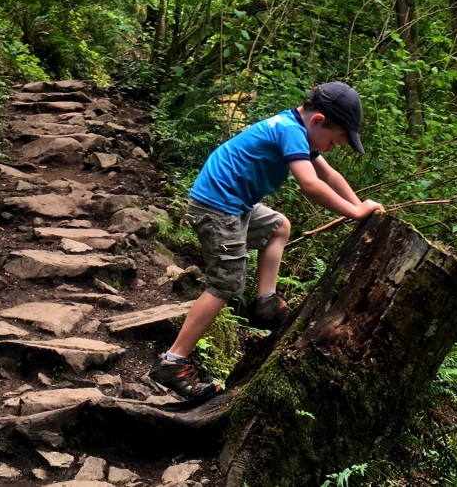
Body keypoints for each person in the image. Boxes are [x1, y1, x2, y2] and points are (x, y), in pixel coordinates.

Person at [148, 81, 385, 400]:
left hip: (234, 204)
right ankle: (173, 361)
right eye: (333, 141)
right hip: (218, 207)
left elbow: (328, 176)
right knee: (226, 284)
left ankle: (266, 302)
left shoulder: (297, 129)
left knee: (277, 226)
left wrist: (361, 206)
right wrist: (356, 214)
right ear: (317, 121)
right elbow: (311, 185)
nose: (331, 148)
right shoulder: (290, 131)